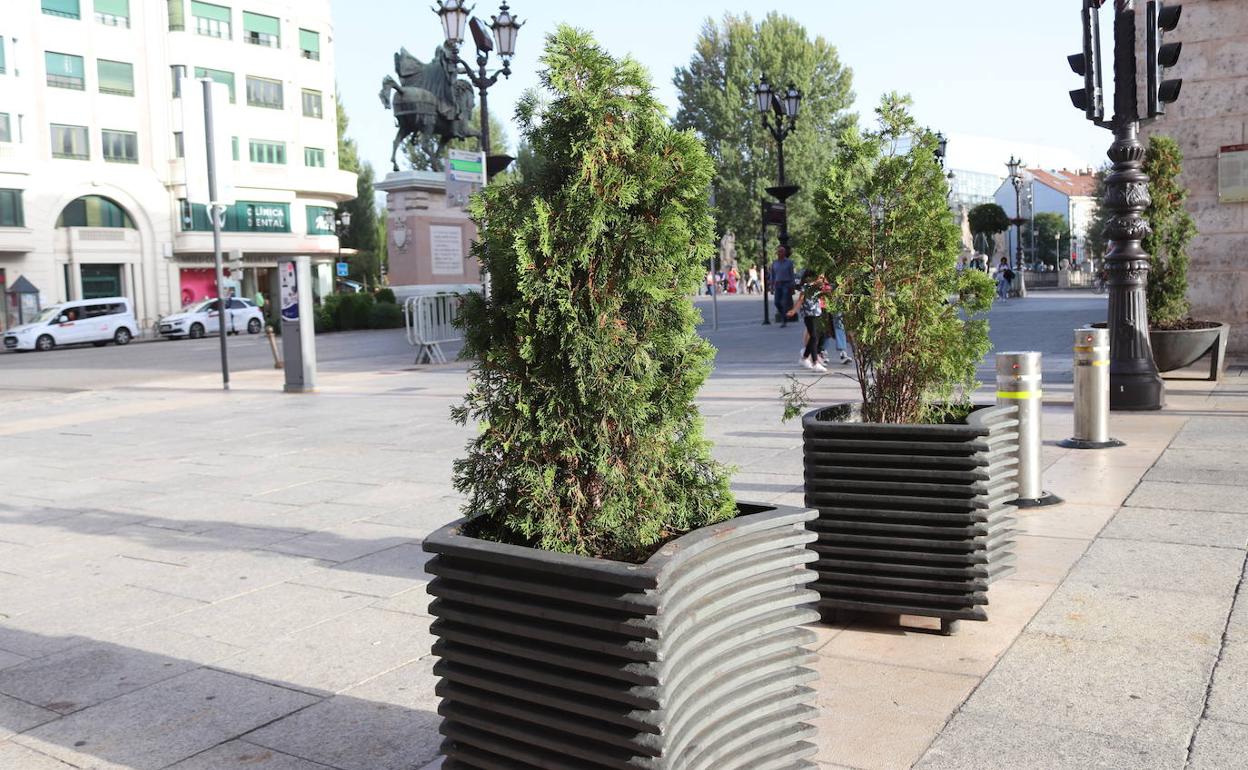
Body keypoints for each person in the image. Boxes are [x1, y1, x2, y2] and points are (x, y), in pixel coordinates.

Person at [788, 269, 827, 372]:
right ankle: (815, 363)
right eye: (820, 277)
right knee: (814, 336)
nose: (822, 279)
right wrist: (793, 310)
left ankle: (804, 358)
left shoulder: (818, 288)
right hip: (808, 315)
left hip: (817, 313)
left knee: (816, 336)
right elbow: (800, 300)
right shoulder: (806, 287)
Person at [771, 246, 796, 327]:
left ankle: (783, 320)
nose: (780, 253)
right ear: (777, 253)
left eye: (782, 251)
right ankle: (784, 315)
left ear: (784, 253)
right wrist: (771, 286)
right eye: (779, 251)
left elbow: (792, 275)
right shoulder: (774, 263)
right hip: (777, 284)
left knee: (784, 303)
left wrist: (793, 287)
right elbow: (773, 275)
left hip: (786, 284)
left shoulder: (789, 262)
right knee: (777, 302)